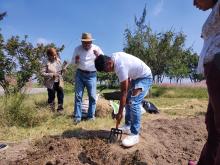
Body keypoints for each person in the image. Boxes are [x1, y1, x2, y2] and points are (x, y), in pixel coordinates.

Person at [95, 52, 153, 147]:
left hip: (144, 77)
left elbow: (123, 93)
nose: (108, 72)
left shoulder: (120, 67)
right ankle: (128, 126)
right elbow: (130, 64)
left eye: (106, 70)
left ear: (109, 63)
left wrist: (120, 112)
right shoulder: (113, 57)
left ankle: (135, 134)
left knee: (133, 102)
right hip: (136, 77)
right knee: (128, 100)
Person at [189, 0, 220, 165]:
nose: (194, 3)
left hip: (218, 65)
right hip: (213, 69)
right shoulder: (215, 9)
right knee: (212, 122)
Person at [71, 32, 104, 124]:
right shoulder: (77, 49)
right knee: (78, 96)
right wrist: (76, 61)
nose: (86, 44)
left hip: (92, 75)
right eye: (84, 42)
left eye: (88, 42)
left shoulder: (96, 48)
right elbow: (73, 63)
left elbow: (103, 61)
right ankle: (77, 117)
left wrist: (98, 56)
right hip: (80, 74)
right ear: (82, 42)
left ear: (91, 41)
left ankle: (90, 116)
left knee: (92, 97)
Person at [41, 47, 65, 113]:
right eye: (53, 55)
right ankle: (51, 111)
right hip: (50, 82)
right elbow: (42, 73)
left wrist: (63, 71)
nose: (54, 56)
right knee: (51, 97)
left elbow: (60, 72)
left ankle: (60, 110)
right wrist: (52, 74)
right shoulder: (45, 61)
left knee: (61, 95)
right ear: (49, 55)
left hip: (59, 81)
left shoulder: (58, 60)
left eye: (55, 55)